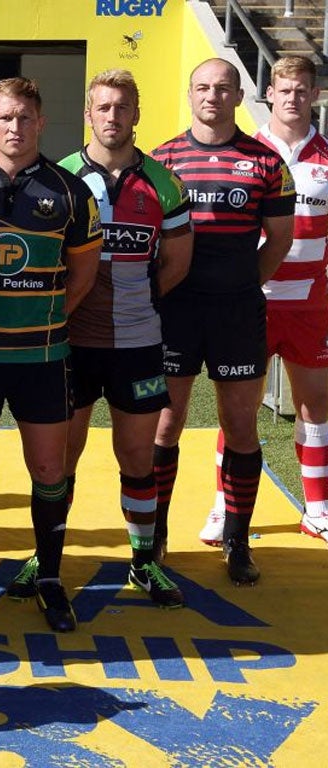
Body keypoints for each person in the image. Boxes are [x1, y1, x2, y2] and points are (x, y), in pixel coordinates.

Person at [0, 76, 102, 633]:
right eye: (5, 117)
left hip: (43, 357)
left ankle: (51, 579)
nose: (16, 127)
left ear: (41, 123)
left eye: (26, 118)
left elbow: (81, 277)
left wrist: (45, 320)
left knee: (50, 469)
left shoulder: (70, 191)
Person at [52, 69, 193, 608]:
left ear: (137, 114)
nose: (112, 117)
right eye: (103, 107)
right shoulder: (61, 176)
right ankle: (48, 556)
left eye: (123, 108)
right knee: (59, 457)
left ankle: (142, 561)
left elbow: (178, 261)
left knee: (137, 455)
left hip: (138, 342)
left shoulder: (163, 182)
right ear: (89, 114)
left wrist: (134, 301)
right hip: (70, 342)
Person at [151, 58, 295, 585]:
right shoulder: (163, 159)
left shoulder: (265, 161)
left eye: (223, 88)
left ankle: (237, 541)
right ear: (190, 95)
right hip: (176, 311)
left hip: (236, 313)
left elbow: (279, 239)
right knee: (165, 424)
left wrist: (242, 284)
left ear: (239, 96)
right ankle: (156, 534)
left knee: (239, 426)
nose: (212, 95)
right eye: (203, 87)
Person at [197, 56, 328, 548]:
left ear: (313, 96)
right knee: (239, 409)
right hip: (252, 300)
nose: (292, 98)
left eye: (302, 91)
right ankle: (221, 507)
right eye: (284, 90)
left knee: (315, 404)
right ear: (268, 94)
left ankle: (317, 510)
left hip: (311, 304)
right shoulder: (248, 152)